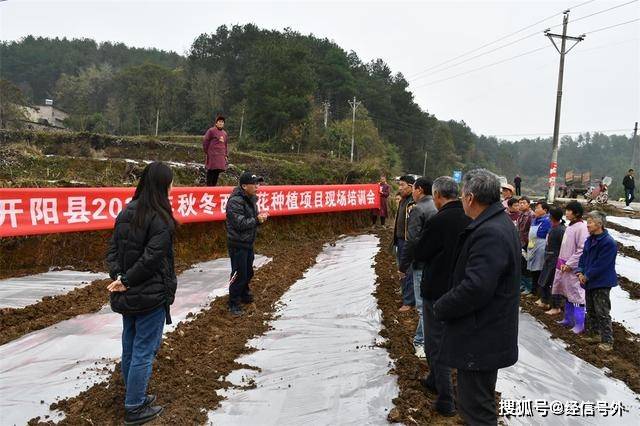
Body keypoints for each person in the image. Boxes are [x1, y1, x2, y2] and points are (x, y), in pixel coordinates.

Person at [433, 169, 520, 426]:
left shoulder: (490, 232)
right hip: (486, 332)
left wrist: (442, 306)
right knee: (477, 403)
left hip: (481, 335)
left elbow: (476, 287)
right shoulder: (498, 223)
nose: (461, 201)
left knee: (476, 410)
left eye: (461, 196)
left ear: (470, 198)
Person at [106, 162, 178, 425]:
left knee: (130, 347)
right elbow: (152, 258)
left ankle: (133, 396)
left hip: (128, 296)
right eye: (171, 182)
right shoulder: (160, 218)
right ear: (162, 185)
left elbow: (112, 251)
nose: (173, 186)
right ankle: (134, 406)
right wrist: (125, 280)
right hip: (149, 296)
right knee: (144, 351)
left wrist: (119, 278)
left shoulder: (126, 211)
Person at [413, 176, 471, 417]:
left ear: (437, 195)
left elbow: (422, 251)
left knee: (435, 341)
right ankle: (432, 379)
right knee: (445, 337)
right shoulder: (470, 219)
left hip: (437, 288)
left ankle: (446, 398)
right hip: (460, 290)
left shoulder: (440, 220)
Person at [399, 177, 437, 359]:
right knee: (432, 304)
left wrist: (403, 265)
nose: (413, 192)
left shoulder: (419, 209)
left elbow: (412, 240)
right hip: (436, 263)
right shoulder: (438, 207)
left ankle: (420, 341)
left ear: (419, 190)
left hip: (421, 263)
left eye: (413, 188)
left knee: (423, 306)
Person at [226, 171, 269, 316]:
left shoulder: (251, 199)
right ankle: (233, 303)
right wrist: (257, 220)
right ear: (244, 186)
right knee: (239, 274)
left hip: (248, 242)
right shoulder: (235, 201)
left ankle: (244, 293)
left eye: (258, 183)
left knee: (248, 271)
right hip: (238, 243)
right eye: (254, 183)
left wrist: (259, 219)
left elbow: (250, 222)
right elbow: (239, 223)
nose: (258, 186)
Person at [577, 211, 618, 351]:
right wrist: (580, 271)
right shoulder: (590, 239)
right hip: (589, 280)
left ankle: (607, 341)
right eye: (587, 221)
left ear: (599, 224)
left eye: (590, 222)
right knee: (591, 309)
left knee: (602, 312)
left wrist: (586, 275)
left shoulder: (608, 243)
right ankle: (594, 334)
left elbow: (601, 264)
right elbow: (583, 258)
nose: (587, 224)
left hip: (602, 282)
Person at [552, 200, 589, 334]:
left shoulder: (581, 228)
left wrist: (570, 264)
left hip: (572, 267)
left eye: (569, 210)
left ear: (576, 213)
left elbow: (581, 249)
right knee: (567, 293)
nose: (566, 213)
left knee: (576, 295)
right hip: (563, 264)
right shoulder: (570, 226)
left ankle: (580, 324)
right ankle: (568, 319)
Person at [393, 175, 416, 312]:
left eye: (402, 185)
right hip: (399, 240)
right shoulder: (403, 200)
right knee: (401, 270)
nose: (400, 188)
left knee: (407, 271)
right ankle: (404, 295)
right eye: (399, 185)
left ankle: (409, 301)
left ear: (411, 186)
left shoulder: (413, 203)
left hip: (407, 241)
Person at [541, 207, 566, 314]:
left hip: (555, 259)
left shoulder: (561, 230)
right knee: (545, 280)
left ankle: (556, 307)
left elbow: (563, 247)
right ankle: (545, 301)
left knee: (554, 283)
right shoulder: (552, 228)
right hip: (548, 258)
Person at [527, 200, 551, 301]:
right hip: (532, 246)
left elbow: (548, 237)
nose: (535, 210)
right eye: (535, 208)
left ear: (545, 210)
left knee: (540, 271)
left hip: (541, 248)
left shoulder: (548, 221)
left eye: (538, 208)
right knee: (533, 270)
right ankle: (533, 291)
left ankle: (540, 294)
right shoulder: (535, 220)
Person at [203, 115, 229, 186]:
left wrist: (226, 155)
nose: (221, 123)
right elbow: (206, 141)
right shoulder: (211, 131)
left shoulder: (225, 133)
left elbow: (226, 145)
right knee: (211, 170)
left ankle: (214, 187)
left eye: (222, 122)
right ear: (216, 123)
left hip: (221, 156)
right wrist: (207, 151)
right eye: (219, 122)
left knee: (217, 171)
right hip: (212, 155)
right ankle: (209, 187)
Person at [517, 197, 534, 294]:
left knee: (526, 266)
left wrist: (530, 246)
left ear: (528, 204)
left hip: (528, 244)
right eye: (520, 203)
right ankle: (523, 285)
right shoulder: (521, 215)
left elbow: (532, 233)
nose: (521, 205)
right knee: (521, 265)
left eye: (523, 203)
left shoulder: (531, 215)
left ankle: (529, 287)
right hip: (521, 243)